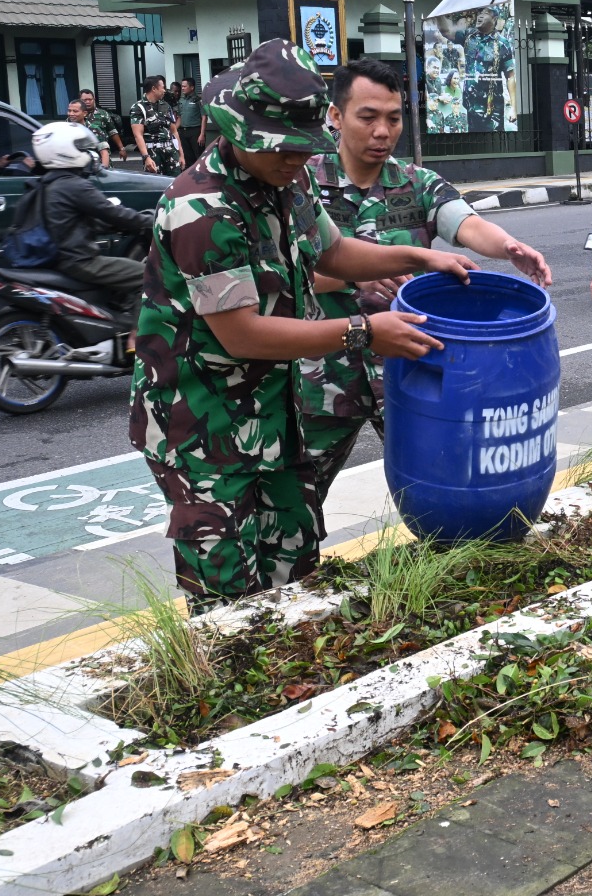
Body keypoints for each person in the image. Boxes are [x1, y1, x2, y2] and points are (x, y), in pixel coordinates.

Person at [128, 38, 478, 607]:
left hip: (276, 411)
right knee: (228, 597)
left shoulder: (287, 179)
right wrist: (365, 332)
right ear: (239, 132)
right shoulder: (200, 208)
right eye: (283, 149)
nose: (296, 159)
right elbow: (243, 334)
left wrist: (420, 256)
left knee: (294, 564)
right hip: (204, 427)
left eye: (302, 147)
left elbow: (333, 252)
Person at [300, 57, 552, 500]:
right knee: (298, 496)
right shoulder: (302, 184)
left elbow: (465, 223)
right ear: (335, 116)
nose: (383, 131)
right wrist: (350, 280)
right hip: (323, 372)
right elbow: (287, 273)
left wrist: (507, 245)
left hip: (410, 368)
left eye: (394, 118)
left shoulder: (417, 183)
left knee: (443, 485)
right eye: (369, 117)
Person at [24, 121, 150, 313]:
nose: (88, 153)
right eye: (81, 147)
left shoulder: (48, 183)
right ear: (65, 150)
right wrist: (154, 221)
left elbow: (77, 221)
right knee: (148, 276)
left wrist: (110, 226)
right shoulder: (74, 185)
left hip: (60, 259)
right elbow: (114, 213)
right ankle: (138, 337)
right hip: (81, 261)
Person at [464, 6, 517, 132]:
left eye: (486, 13)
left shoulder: (502, 43)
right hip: (471, 105)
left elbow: (510, 76)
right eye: (480, 12)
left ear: (494, 19)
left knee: (494, 141)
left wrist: (514, 108)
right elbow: (446, 31)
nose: (480, 15)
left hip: (493, 107)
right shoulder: (469, 37)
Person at [130, 75, 181, 176]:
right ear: (154, 89)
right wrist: (146, 157)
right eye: (162, 87)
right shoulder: (138, 107)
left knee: (176, 185)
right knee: (156, 184)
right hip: (153, 153)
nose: (164, 90)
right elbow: (138, 135)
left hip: (170, 152)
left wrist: (181, 155)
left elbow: (174, 131)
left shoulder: (165, 106)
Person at [79, 90, 126, 161]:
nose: (88, 102)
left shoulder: (103, 114)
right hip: (82, 156)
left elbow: (112, 132)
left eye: (90, 99)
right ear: (80, 100)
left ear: (94, 99)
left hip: (102, 154)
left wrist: (121, 148)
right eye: (85, 100)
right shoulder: (75, 116)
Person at [65, 102, 110, 168]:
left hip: (92, 170)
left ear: (85, 113)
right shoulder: (63, 129)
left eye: (75, 111)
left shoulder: (94, 129)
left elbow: (104, 153)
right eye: (69, 111)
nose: (71, 114)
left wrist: (103, 171)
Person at [176, 77, 207, 167]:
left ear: (192, 87)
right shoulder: (181, 100)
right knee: (187, 156)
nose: (182, 88)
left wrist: (202, 134)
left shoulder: (198, 100)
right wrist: (173, 130)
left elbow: (204, 117)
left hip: (195, 132)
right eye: (182, 86)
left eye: (185, 86)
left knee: (199, 156)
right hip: (183, 132)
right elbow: (179, 117)